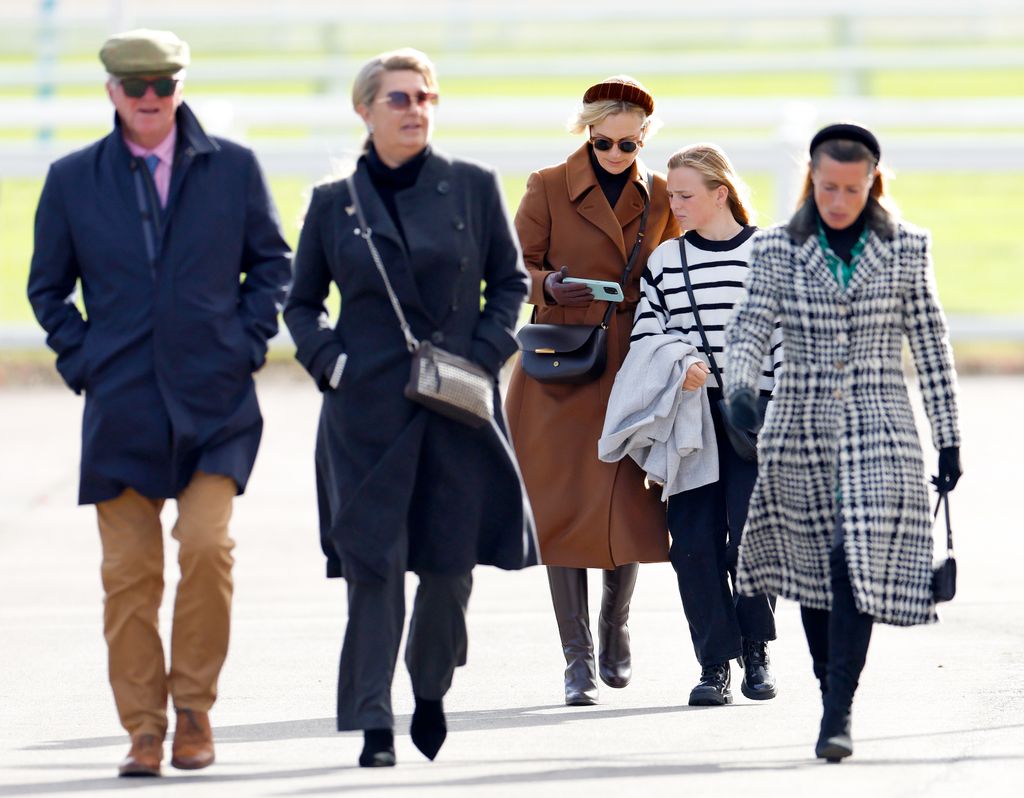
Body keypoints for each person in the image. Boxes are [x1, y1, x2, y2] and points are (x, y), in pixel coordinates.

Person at [27, 29, 291, 778]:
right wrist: (85, 362)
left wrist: (242, 343)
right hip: (123, 407)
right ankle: (143, 730)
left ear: (181, 87)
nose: (149, 100)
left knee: (208, 548)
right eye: (134, 87)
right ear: (111, 91)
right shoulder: (73, 178)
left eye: (163, 87)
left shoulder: (233, 168)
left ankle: (194, 711)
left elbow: (271, 263)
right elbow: (47, 288)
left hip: (214, 404)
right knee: (129, 573)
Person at [283, 48, 536, 769]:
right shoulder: (335, 203)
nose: (416, 109)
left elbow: (509, 286)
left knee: (450, 571)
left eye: (425, 97)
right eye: (399, 98)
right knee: (375, 567)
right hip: (365, 416)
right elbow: (301, 302)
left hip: (455, 409)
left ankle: (428, 690)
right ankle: (373, 722)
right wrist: (330, 362)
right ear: (365, 110)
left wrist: (483, 359)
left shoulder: (472, 188)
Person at [724, 123, 962, 761]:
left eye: (851, 189)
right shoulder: (778, 248)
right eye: (828, 186)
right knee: (813, 572)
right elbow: (749, 325)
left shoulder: (908, 248)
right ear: (812, 177)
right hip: (798, 426)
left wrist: (949, 437)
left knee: (852, 566)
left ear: (872, 184)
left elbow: (931, 345)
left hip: (881, 428)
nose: (838, 200)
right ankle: (830, 681)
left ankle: (838, 710)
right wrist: (740, 386)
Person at [505, 76, 680, 706]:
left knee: (627, 503)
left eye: (627, 145)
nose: (612, 155)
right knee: (563, 509)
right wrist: (552, 287)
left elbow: (675, 270)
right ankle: (576, 658)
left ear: (642, 141)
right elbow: (513, 268)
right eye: (602, 142)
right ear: (586, 132)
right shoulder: (547, 185)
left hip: (631, 364)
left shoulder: (660, 193)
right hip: (559, 367)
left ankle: (615, 626)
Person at [630, 144, 782, 706]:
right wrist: (680, 362)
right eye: (672, 195)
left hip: (757, 414)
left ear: (721, 193)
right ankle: (714, 663)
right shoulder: (665, 262)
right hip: (690, 420)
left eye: (687, 195)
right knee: (691, 545)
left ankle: (756, 648)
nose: (677, 205)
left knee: (749, 540)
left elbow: (792, 337)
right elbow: (648, 335)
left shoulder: (772, 252)